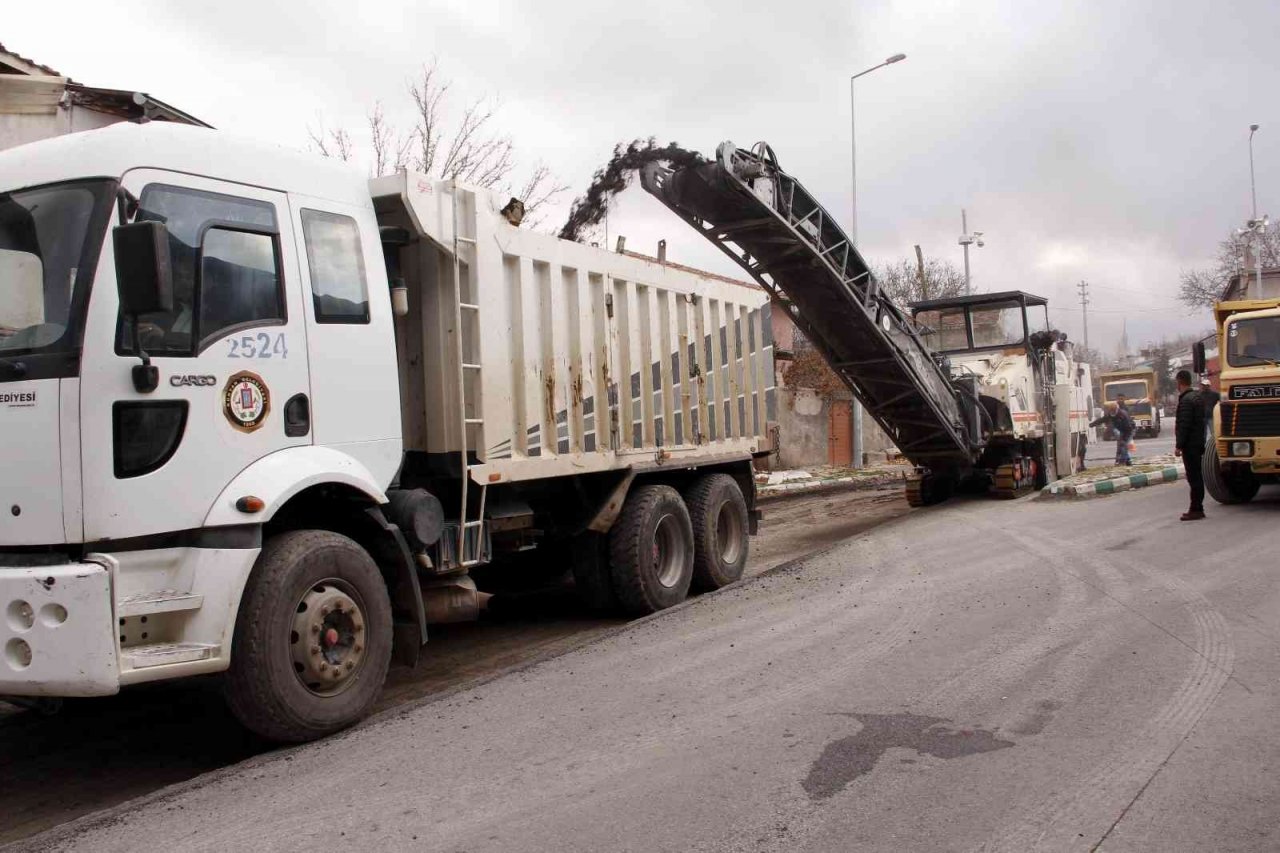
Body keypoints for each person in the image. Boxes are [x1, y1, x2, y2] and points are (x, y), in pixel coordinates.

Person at [1174, 369, 1207, 521]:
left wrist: (1179, 445)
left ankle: (1196, 509)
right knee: (1197, 476)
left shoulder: (1186, 400)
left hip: (1190, 445)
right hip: (1198, 442)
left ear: (1180, 382)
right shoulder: (1197, 397)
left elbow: (1184, 425)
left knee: (1194, 478)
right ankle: (1198, 507)